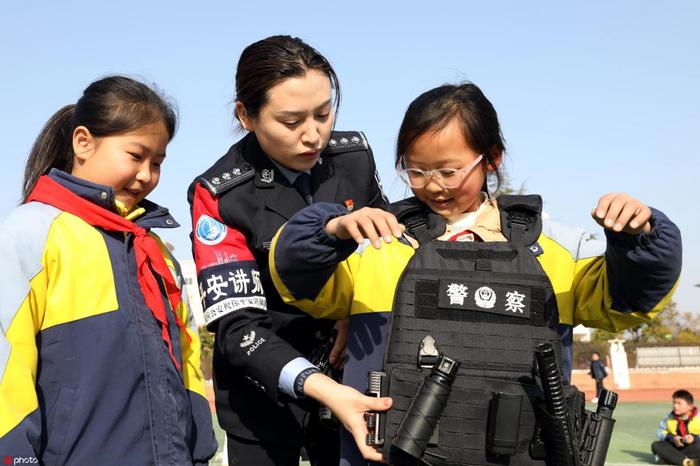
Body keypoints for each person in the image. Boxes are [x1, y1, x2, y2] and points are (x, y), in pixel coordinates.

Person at [269, 81, 683, 464]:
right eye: (415, 171)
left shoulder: (554, 246)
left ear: (492, 158)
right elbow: (296, 281)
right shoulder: (376, 240)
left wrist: (642, 238)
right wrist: (328, 231)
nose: (432, 186)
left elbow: (627, 302)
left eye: (448, 171)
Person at [188, 35, 390, 465]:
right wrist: (321, 386)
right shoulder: (220, 195)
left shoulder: (354, 158)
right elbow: (238, 330)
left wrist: (355, 312)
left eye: (323, 113)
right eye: (291, 121)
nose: (313, 135)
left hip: (356, 377)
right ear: (245, 115)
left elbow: (385, 255)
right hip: (264, 400)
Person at [0, 76, 217, 464]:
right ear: (83, 142)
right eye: (136, 156)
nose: (146, 175)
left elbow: (187, 361)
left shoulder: (156, 253)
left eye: (157, 162)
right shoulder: (31, 233)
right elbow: (7, 367)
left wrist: (198, 453)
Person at [652, 390, 699, 466]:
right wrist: (672, 438)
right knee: (656, 445)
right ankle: (687, 462)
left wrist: (694, 438)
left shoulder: (698, 418)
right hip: (674, 447)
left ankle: (669, 459)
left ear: (690, 406)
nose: (675, 406)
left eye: (679, 404)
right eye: (674, 403)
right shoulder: (669, 417)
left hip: (693, 447)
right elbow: (660, 432)